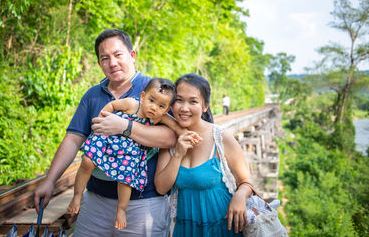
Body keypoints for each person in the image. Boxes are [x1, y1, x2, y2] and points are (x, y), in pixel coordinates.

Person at [34, 29, 178, 236]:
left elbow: (171, 138)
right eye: (105, 58)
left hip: (142, 203)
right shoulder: (93, 95)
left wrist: (125, 128)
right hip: (96, 201)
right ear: (100, 63)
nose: (112, 62)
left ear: (132, 55)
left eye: (118, 55)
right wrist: (49, 181)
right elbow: (73, 139)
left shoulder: (156, 91)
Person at [67, 78, 201, 230]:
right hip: (109, 139)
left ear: (166, 110)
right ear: (143, 96)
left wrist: (187, 134)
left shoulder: (160, 117)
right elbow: (112, 105)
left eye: (161, 106)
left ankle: (121, 210)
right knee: (87, 161)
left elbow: (176, 128)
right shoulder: (132, 104)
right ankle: (77, 195)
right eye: (151, 100)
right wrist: (102, 118)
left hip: (129, 153)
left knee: (125, 179)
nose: (154, 107)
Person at [154, 74, 254, 236]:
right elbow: (161, 187)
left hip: (222, 226)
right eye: (179, 100)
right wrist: (178, 154)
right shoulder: (169, 140)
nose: (184, 108)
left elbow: (246, 181)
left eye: (193, 101)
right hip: (186, 229)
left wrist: (239, 197)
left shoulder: (221, 138)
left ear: (205, 106)